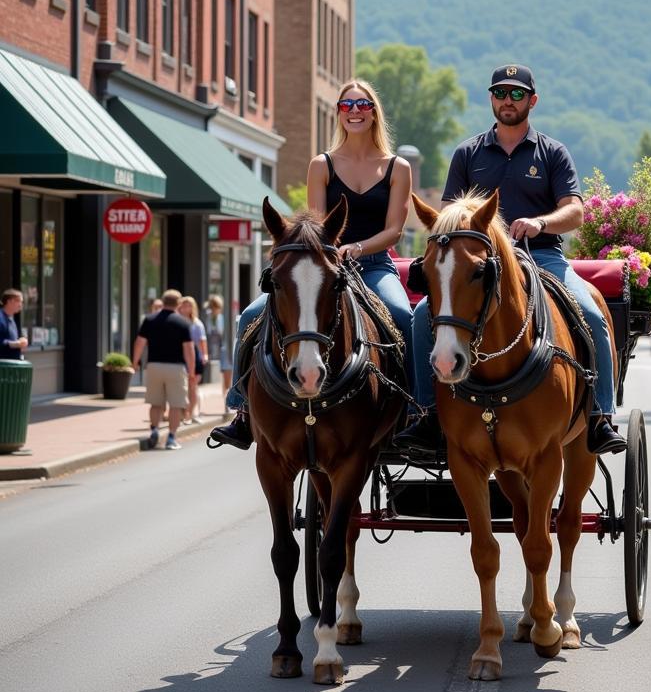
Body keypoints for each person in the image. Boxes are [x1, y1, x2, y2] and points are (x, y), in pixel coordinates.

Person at [395, 63, 625, 456]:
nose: (508, 100)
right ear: (491, 99)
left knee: (590, 312)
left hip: (542, 256)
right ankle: (427, 414)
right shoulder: (467, 153)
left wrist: (540, 222)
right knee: (420, 318)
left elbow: (574, 212)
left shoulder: (552, 152)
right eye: (500, 93)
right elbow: (450, 212)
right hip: (477, 265)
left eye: (517, 94)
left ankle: (601, 415)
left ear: (532, 101)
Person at [210, 79, 414, 450]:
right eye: (347, 105)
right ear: (338, 113)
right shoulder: (322, 165)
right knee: (249, 316)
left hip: (374, 266)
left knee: (405, 318)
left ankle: (414, 413)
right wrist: (334, 251)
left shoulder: (397, 167)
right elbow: (315, 228)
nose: (355, 111)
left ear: (374, 112)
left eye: (363, 105)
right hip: (323, 269)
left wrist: (357, 247)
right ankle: (241, 412)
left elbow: (394, 231)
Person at [132, 289, 195, 450]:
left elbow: (139, 342)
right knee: (176, 405)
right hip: (176, 368)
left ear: (163, 301)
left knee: (155, 402)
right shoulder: (182, 323)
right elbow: (189, 349)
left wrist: (135, 362)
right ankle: (171, 437)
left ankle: (154, 430)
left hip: (153, 366)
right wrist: (192, 371)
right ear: (178, 304)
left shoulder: (149, 319)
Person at [177, 296, 208, 423]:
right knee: (182, 387)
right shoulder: (177, 321)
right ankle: (185, 413)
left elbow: (202, 341)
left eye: (189, 305)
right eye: (184, 305)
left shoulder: (197, 323)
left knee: (192, 386)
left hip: (196, 358)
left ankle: (191, 413)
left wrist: (205, 355)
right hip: (180, 358)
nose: (186, 308)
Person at [205, 294, 233, 415]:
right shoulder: (208, 318)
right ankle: (226, 403)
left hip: (225, 350)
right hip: (215, 350)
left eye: (216, 306)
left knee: (228, 378)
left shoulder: (223, 318)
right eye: (212, 306)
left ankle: (227, 404)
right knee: (225, 379)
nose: (214, 309)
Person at [0, 289, 27, 360]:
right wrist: (16, 344)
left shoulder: (12, 320)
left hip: (12, 366)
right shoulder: (1, 317)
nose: (20, 304)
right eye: (18, 301)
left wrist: (21, 343)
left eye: (21, 302)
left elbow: (11, 339)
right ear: (9, 301)